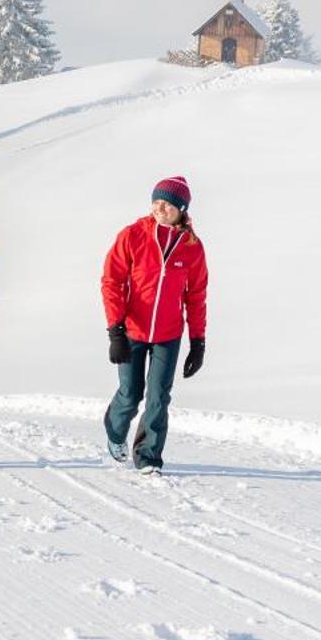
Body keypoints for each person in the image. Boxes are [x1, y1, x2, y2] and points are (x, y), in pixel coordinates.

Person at [101, 175, 208, 474]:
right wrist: (115, 330)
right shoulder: (132, 235)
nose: (160, 209)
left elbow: (196, 295)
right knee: (130, 393)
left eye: (167, 204)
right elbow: (111, 282)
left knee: (159, 397)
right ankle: (114, 427)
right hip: (132, 330)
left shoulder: (192, 247)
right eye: (156, 202)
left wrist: (198, 342)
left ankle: (148, 456)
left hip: (168, 334)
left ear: (181, 209)